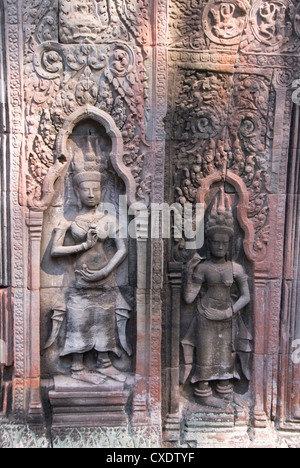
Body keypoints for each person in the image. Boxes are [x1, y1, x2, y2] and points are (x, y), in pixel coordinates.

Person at [50, 170, 130, 384]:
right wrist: (83, 245)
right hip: (79, 281)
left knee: (105, 317)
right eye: (86, 189)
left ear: (102, 191)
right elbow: (55, 250)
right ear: (77, 192)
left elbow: (123, 249)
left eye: (96, 189)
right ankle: (78, 366)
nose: (91, 193)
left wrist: (106, 271)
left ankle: (104, 362)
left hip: (104, 279)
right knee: (79, 317)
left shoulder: (109, 220)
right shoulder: (68, 221)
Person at [182, 188, 251, 408]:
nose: (220, 246)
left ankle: (224, 389)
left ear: (230, 244)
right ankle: (202, 391)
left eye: (224, 243)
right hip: (205, 316)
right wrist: (191, 276)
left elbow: (246, 296)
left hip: (227, 317)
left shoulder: (236, 268)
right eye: (216, 242)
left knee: (225, 354)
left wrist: (229, 311)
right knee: (206, 352)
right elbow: (190, 299)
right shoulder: (203, 268)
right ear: (208, 243)